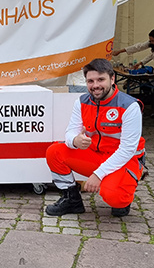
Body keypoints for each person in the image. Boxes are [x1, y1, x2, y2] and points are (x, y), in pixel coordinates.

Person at [45, 58, 145, 218]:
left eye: (101, 79)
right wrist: (75, 140)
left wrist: (98, 175)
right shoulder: (82, 101)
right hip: (96, 155)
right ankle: (72, 200)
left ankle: (124, 196)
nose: (95, 85)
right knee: (54, 152)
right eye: (90, 81)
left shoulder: (129, 106)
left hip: (125, 161)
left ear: (112, 79)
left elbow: (127, 150)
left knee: (114, 197)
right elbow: (70, 131)